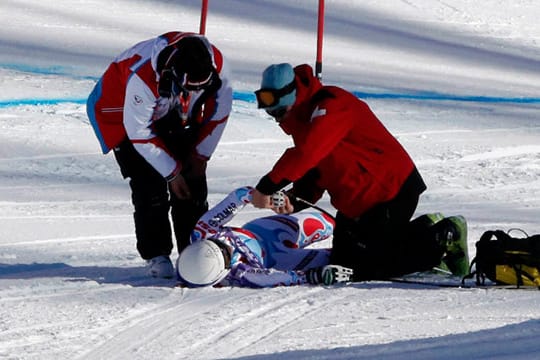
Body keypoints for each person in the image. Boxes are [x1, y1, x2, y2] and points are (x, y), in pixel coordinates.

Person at [249, 63, 469, 282]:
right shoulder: (304, 122)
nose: (276, 118)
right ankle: (424, 230)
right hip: (356, 201)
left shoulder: (332, 104)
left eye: (278, 111)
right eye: (270, 112)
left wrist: (266, 187)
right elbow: (315, 171)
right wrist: (294, 201)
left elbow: (307, 154)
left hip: (389, 191)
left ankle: (445, 235)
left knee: (370, 268)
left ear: (293, 95)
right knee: (342, 264)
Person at [86, 32, 233, 278]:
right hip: (121, 117)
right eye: (189, 88)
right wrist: (171, 173)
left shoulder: (217, 64)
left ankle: (195, 251)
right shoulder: (143, 77)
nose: (193, 93)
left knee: (192, 180)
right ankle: (157, 254)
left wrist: (200, 156)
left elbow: (218, 113)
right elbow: (139, 134)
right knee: (149, 184)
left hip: (171, 113)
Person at [175, 186, 353, 288]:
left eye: (219, 244)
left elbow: (237, 198)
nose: (228, 246)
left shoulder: (203, 231)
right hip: (281, 259)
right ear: (224, 270)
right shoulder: (239, 274)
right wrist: (313, 276)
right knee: (345, 256)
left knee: (333, 223)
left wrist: (258, 195)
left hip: (267, 230)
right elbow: (274, 277)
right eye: (227, 254)